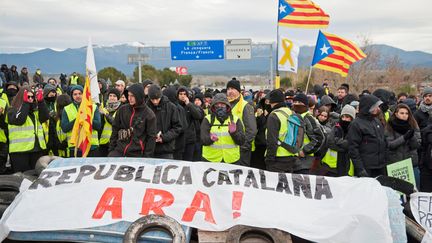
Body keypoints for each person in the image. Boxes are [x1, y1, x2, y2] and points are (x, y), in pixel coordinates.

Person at [7, 86, 49, 172]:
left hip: (37, 149)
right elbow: (20, 120)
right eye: (27, 97)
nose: (30, 99)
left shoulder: (35, 112)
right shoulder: (12, 110)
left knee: (37, 177)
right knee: (23, 178)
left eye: (32, 97)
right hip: (20, 152)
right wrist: (25, 103)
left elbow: (45, 117)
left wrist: (41, 102)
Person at [108, 84, 156, 157]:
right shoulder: (122, 110)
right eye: (129, 95)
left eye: (132, 96)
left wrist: (147, 158)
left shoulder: (149, 114)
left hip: (137, 154)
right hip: (118, 151)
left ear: (139, 96)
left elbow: (151, 138)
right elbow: (115, 130)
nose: (130, 98)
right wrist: (111, 150)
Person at [348, 94, 387, 177]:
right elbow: (353, 149)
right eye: (375, 106)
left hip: (380, 166)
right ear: (368, 107)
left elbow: (384, 141)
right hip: (366, 168)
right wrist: (360, 169)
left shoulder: (377, 121)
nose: (378, 109)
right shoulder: (356, 124)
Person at [201, 93, 245, 164]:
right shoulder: (208, 119)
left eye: (222, 105)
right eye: (217, 105)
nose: (220, 107)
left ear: (227, 106)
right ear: (213, 107)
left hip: (231, 160)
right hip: (211, 160)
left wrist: (234, 133)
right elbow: (203, 140)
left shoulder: (235, 120)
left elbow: (241, 141)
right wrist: (210, 139)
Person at [385, 103, 421, 187]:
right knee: (397, 193)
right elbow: (390, 145)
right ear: (396, 114)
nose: (404, 115)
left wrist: (411, 137)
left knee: (413, 192)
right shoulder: (389, 126)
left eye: (406, 113)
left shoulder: (413, 125)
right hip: (396, 165)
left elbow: (417, 145)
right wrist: (404, 138)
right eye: (402, 113)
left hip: (411, 164)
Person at [61, 85, 101, 157]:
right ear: (72, 96)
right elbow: (64, 128)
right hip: (74, 147)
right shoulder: (66, 109)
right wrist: (77, 120)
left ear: (84, 94)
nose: (78, 96)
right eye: (75, 94)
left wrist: (87, 119)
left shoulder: (93, 107)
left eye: (80, 93)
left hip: (91, 146)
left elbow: (98, 126)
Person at [265, 89, 299, 172]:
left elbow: (272, 141)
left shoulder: (274, 115)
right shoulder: (292, 113)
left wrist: (269, 160)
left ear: (272, 101)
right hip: (292, 155)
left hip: (278, 158)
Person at [291, 93, 325, 174]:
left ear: (305, 105)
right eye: (295, 102)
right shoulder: (293, 117)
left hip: (305, 161)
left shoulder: (308, 118)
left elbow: (319, 138)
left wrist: (305, 151)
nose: (296, 104)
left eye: (299, 102)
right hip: (294, 159)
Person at [226, 78, 257, 166]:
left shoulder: (245, 106)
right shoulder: (226, 105)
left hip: (242, 149)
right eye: (228, 89)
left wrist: (243, 146)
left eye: (233, 89)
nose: (230, 91)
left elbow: (251, 130)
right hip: (230, 150)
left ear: (238, 91)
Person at [147, 85, 182, 159]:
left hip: (166, 150)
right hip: (148, 150)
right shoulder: (146, 108)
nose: (155, 102)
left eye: (157, 99)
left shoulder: (171, 107)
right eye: (152, 99)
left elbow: (177, 127)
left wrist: (163, 137)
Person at [321, 105, 356, 177]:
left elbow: (351, 144)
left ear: (352, 118)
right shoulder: (336, 127)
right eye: (343, 116)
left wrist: (337, 140)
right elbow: (330, 142)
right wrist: (344, 147)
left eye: (347, 117)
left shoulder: (355, 129)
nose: (344, 119)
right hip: (333, 166)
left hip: (347, 166)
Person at [177, 86, 204, 161]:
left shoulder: (191, 106)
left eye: (185, 94)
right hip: (178, 139)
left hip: (190, 140)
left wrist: (189, 104)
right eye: (181, 94)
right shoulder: (175, 106)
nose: (182, 96)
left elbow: (198, 116)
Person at [414, 87, 432, 191]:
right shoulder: (418, 113)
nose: (427, 98)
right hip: (423, 149)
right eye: (425, 96)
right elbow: (415, 131)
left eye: (430, 96)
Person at [99, 88, 121, 157]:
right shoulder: (103, 109)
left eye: (114, 96)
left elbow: (115, 123)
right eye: (110, 95)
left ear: (118, 98)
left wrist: (106, 115)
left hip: (115, 144)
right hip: (103, 143)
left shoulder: (121, 110)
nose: (112, 98)